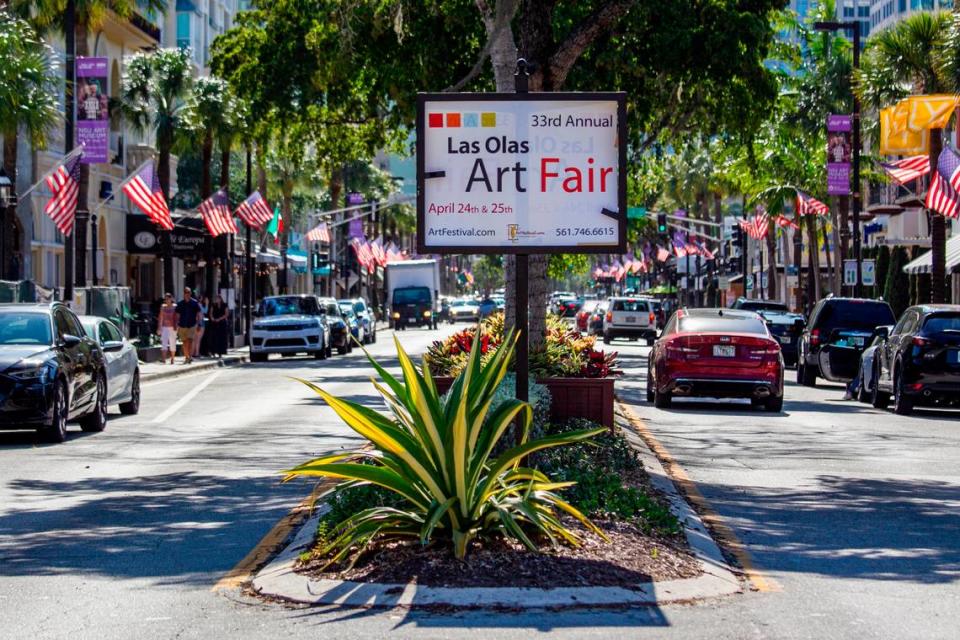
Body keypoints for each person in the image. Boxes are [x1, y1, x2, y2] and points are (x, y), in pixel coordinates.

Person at [174, 287, 202, 364]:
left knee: (190, 341)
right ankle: (187, 357)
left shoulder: (194, 303)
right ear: (184, 294)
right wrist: (176, 325)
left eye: (188, 292)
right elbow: (177, 315)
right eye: (185, 292)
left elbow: (199, 314)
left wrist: (199, 324)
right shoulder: (180, 304)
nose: (187, 294)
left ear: (190, 294)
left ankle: (189, 356)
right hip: (182, 325)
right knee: (184, 342)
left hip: (192, 324)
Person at [156, 292, 177, 365]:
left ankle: (172, 358)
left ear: (171, 299)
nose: (167, 300)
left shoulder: (175, 307)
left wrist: (177, 327)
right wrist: (159, 327)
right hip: (165, 327)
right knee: (164, 343)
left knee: (172, 343)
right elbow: (161, 317)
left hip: (172, 327)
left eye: (168, 298)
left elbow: (177, 317)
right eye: (166, 299)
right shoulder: (163, 307)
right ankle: (164, 359)